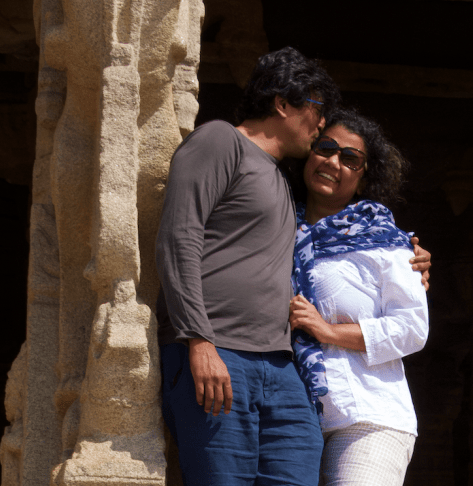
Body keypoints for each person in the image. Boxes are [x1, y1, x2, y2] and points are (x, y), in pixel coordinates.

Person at [155, 47, 430, 485]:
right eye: (317, 112)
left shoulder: (288, 192)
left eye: (350, 158)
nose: (321, 124)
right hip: (219, 350)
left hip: (283, 370)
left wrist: (409, 256)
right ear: (282, 103)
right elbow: (179, 236)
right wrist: (198, 340)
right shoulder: (220, 141)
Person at [287, 107, 429, 486]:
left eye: (350, 158)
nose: (333, 161)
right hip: (291, 416)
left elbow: (412, 327)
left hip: (369, 416)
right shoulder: (276, 227)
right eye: (326, 148)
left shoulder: (388, 245)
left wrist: (328, 332)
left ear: (365, 177)